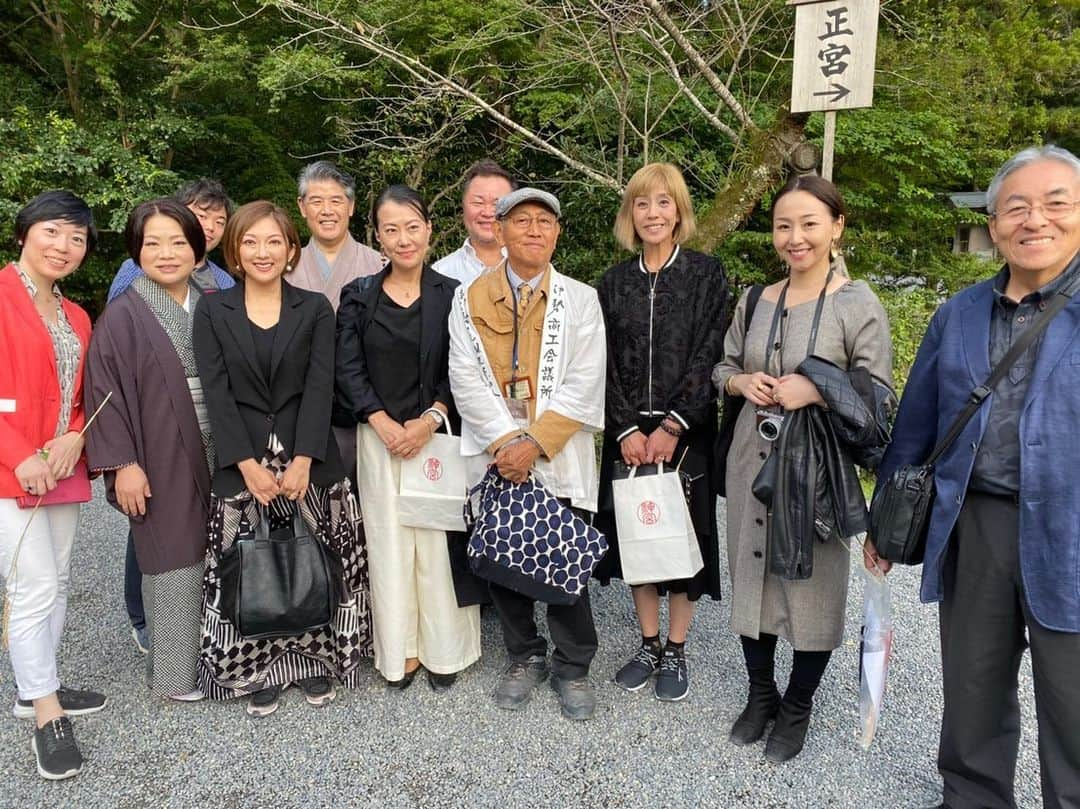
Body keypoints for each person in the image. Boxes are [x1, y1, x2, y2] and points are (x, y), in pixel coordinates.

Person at [870, 145, 1080, 809]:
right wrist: (886, 524)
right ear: (993, 225)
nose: (1033, 220)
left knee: (1072, 694)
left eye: (1056, 203)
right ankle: (972, 795)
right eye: (1015, 207)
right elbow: (917, 422)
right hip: (976, 521)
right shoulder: (957, 313)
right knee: (972, 682)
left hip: (1072, 527)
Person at [711, 174, 893, 762]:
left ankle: (798, 705)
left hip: (817, 469)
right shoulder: (754, 299)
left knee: (812, 586)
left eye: (810, 223)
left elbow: (879, 392)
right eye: (784, 225)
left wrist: (815, 389)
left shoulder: (856, 303)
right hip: (751, 459)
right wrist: (742, 380)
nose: (796, 237)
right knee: (754, 576)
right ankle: (760, 694)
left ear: (836, 227)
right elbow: (724, 367)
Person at [192, 200, 372, 717]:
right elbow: (216, 389)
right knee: (246, 563)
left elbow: (321, 385)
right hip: (242, 454)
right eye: (251, 242)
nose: (263, 252)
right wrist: (246, 464)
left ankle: (319, 663)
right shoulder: (214, 309)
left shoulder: (315, 306)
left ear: (291, 248)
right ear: (235, 250)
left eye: (274, 241)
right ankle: (256, 668)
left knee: (322, 559)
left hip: (308, 455)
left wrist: (304, 458)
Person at [448, 187, 606, 721]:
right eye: (522, 221)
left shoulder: (580, 299)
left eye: (545, 221)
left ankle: (573, 664)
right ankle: (523, 655)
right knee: (504, 556)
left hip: (556, 452)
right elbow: (463, 376)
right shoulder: (468, 296)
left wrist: (534, 444)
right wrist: (505, 444)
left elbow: (587, 381)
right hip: (496, 452)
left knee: (565, 556)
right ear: (500, 228)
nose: (534, 230)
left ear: (558, 232)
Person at [335, 185, 481, 690]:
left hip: (434, 437)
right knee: (389, 544)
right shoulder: (358, 295)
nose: (403, 239)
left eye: (412, 228)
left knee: (437, 544)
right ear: (377, 235)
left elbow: (462, 370)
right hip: (378, 439)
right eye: (391, 229)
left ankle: (446, 650)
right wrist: (381, 421)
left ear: (430, 231)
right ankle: (401, 653)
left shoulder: (452, 295)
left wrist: (430, 419)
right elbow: (347, 368)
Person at [593, 163, 728, 702]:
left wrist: (675, 423)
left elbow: (712, 353)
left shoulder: (705, 275)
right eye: (642, 203)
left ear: (680, 212)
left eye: (663, 203)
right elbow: (597, 361)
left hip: (686, 429)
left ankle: (676, 645)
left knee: (683, 535)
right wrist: (625, 427)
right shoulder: (613, 282)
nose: (653, 213)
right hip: (627, 430)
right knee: (638, 536)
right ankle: (647, 640)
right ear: (630, 213)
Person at [85, 199, 214, 704]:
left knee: (220, 547)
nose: (166, 253)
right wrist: (123, 465)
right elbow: (104, 394)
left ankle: (219, 656)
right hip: (157, 449)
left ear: (197, 249)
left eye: (178, 242)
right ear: (135, 251)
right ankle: (176, 673)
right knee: (171, 551)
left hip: (218, 443)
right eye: (152, 243)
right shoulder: (123, 315)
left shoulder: (212, 300)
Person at [0, 190, 106, 780]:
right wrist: (19, 456)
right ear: (25, 233)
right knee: (33, 583)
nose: (64, 246)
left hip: (60, 465)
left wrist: (73, 439)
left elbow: (75, 394)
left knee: (59, 578)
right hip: (7, 468)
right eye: (54, 232)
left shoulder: (76, 315)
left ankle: (37, 685)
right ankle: (45, 712)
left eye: (77, 238)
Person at [106, 178, 234, 655]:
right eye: (201, 215)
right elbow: (111, 378)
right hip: (156, 431)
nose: (211, 227)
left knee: (208, 533)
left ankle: (207, 634)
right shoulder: (130, 290)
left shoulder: (221, 286)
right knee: (160, 534)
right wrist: (123, 460)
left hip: (212, 430)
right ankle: (155, 635)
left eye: (219, 221)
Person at [292, 160, 382, 490]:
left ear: (352, 206)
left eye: (336, 200)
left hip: (364, 417)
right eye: (316, 201)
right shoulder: (284, 267)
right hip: (299, 414)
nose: (327, 210)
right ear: (302, 207)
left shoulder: (379, 266)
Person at [432, 159, 517, 287]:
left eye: (497, 204)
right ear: (463, 207)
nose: (488, 213)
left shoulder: (534, 269)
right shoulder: (440, 273)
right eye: (478, 203)